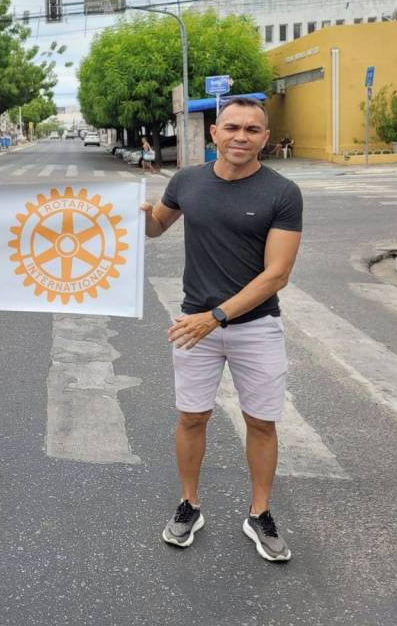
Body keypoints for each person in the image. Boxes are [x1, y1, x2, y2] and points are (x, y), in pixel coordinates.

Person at [140, 97, 303, 562]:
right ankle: (189, 504)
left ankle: (260, 513)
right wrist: (142, 215)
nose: (240, 137)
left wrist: (215, 317)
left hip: (254, 326)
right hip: (195, 325)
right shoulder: (187, 181)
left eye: (252, 129)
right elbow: (157, 228)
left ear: (264, 137)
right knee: (192, 418)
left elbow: (276, 275)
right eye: (232, 127)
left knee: (261, 422)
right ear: (214, 133)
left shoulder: (282, 192)